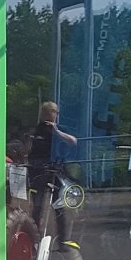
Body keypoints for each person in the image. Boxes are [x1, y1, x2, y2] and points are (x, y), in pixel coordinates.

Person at [28, 102, 78, 244]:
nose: (49, 119)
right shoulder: (37, 130)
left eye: (52, 114)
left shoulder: (58, 129)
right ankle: (34, 239)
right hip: (38, 170)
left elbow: (73, 141)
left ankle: (63, 240)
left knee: (58, 206)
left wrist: (56, 132)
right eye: (46, 115)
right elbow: (28, 148)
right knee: (37, 206)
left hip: (55, 171)